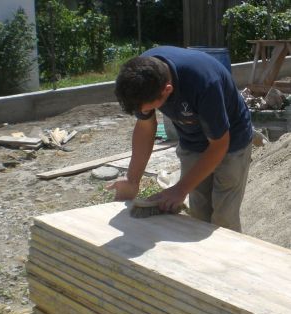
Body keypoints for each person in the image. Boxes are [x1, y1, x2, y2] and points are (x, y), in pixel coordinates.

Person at [107, 46, 252, 232]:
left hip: (231, 140)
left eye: (148, 108)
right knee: (199, 214)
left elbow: (219, 145)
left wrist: (180, 189)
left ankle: (230, 259)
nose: (144, 113)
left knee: (224, 219)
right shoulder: (141, 77)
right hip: (193, 140)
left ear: (167, 90)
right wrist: (132, 180)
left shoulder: (204, 83)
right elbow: (145, 127)